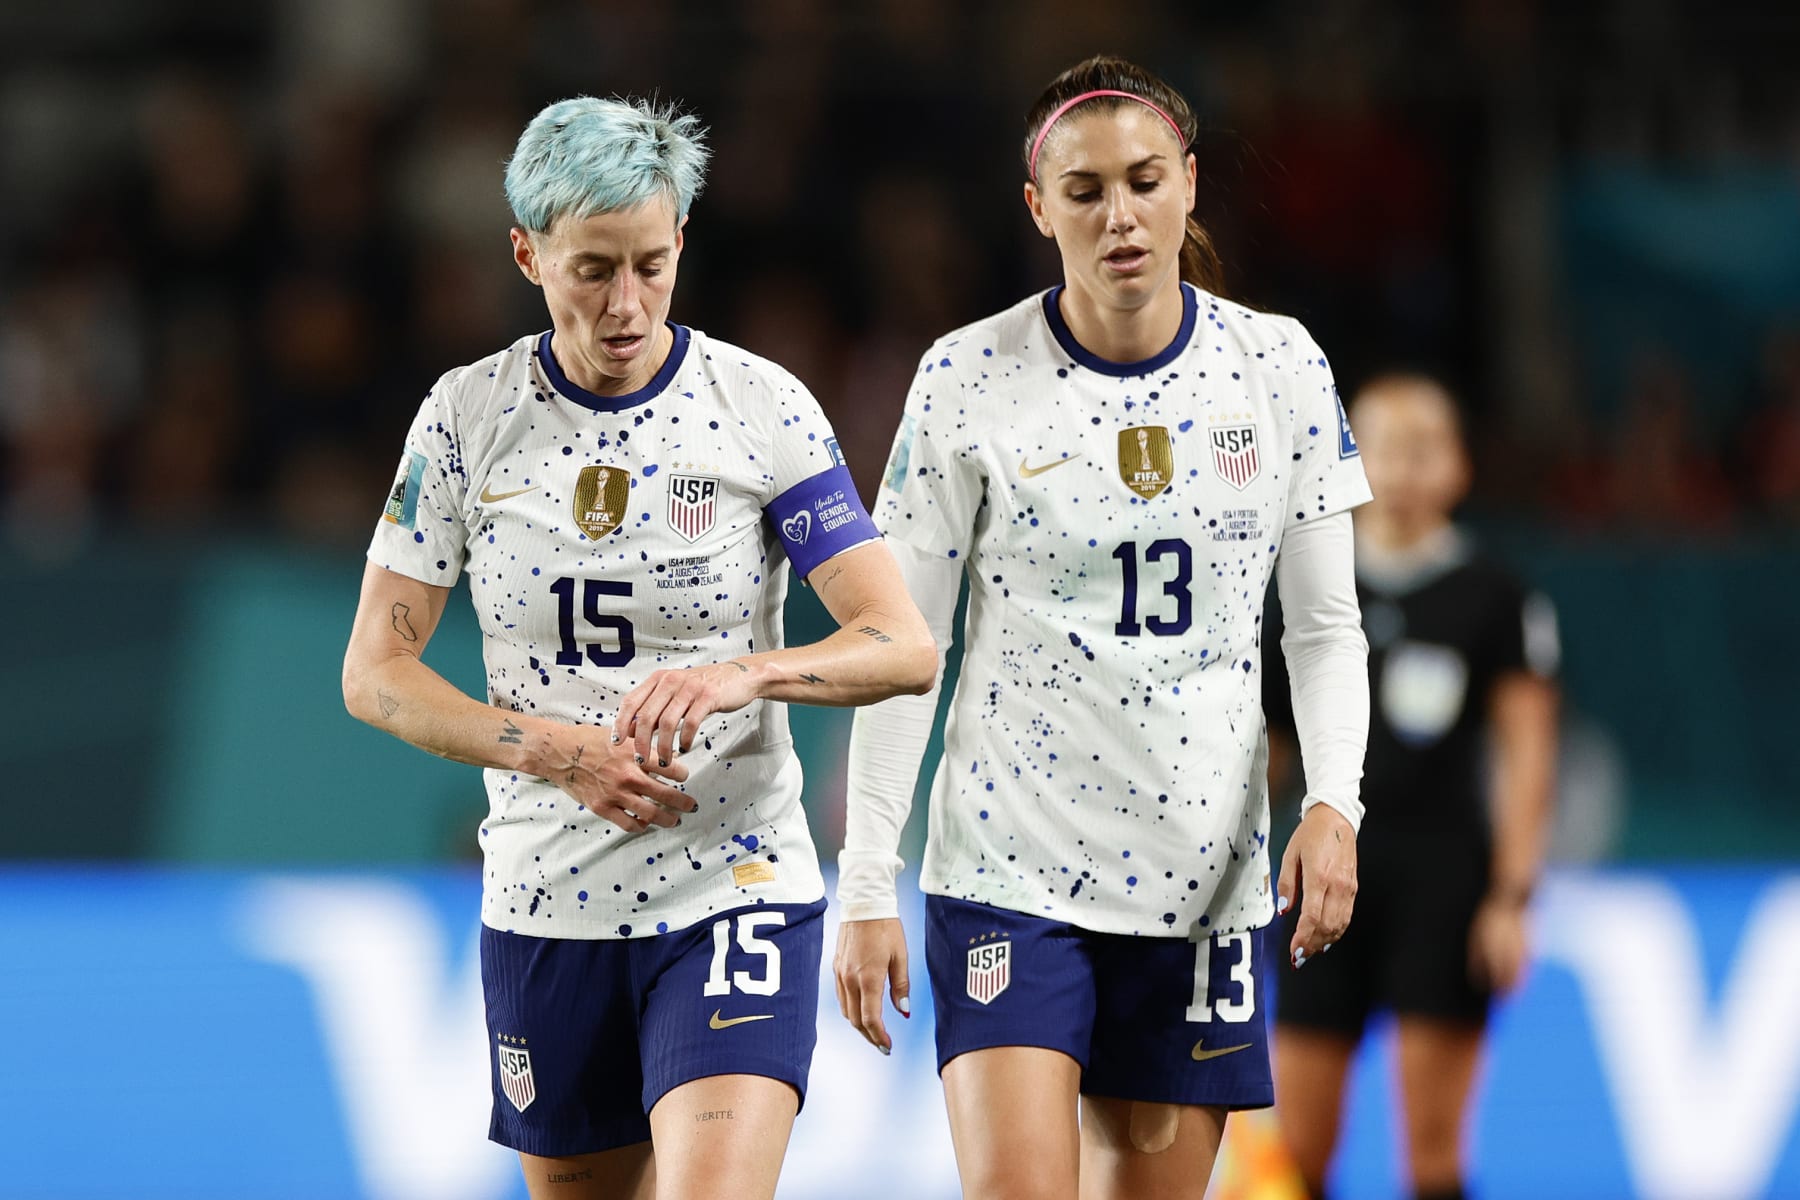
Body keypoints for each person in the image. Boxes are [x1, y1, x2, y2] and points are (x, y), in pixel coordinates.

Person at [340, 95, 935, 1200]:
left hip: (733, 885)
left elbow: (900, 645)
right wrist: (559, 753)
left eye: (653, 265)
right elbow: (376, 674)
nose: (627, 303)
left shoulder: (761, 409)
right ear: (527, 254)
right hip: (545, 904)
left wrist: (742, 673)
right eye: (593, 269)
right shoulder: (467, 419)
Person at [832, 55, 1373, 1199]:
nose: (1118, 214)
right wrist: (868, 878)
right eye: (1084, 191)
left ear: (1190, 185)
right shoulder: (965, 378)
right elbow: (901, 652)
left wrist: (1334, 799)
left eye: (1143, 180)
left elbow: (1323, 629)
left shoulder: (1277, 365)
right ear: (1039, 209)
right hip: (1009, 870)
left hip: (1200, 883)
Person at [1266, 373, 1560, 1200]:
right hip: (1319, 880)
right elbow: (1267, 752)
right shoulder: (1306, 588)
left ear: (1459, 467)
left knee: (1432, 1161)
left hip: (1444, 883)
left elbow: (1528, 755)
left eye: (1422, 448)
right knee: (1294, 1159)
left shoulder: (1496, 597)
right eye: (1380, 447)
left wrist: (1512, 896)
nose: (1399, 468)